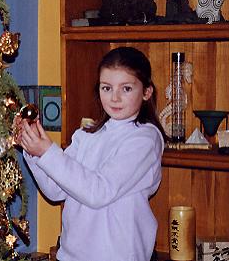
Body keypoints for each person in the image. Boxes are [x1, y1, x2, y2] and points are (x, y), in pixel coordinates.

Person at [14, 47, 166, 261]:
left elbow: (99, 192)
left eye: (126, 89)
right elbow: (56, 191)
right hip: (71, 255)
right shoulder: (87, 134)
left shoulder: (145, 139)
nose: (115, 98)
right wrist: (33, 150)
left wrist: (47, 151)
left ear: (146, 92)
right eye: (107, 88)